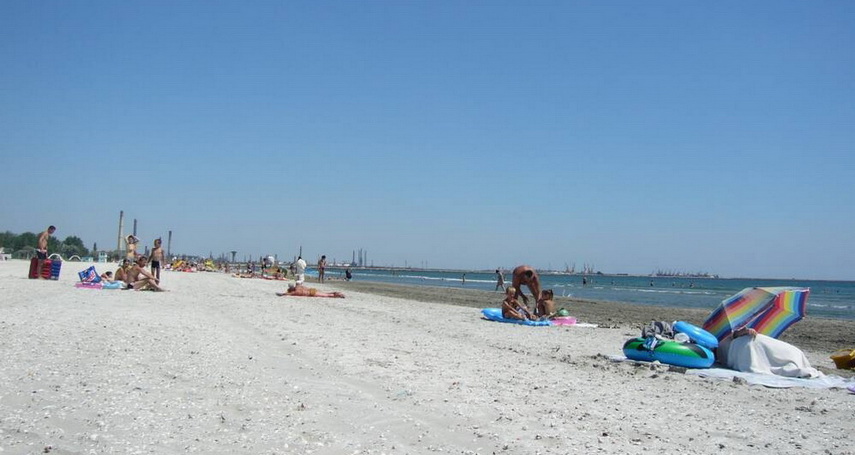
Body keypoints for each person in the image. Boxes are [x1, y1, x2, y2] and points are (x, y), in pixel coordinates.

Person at [716, 327, 820, 378]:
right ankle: (796, 366)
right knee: (777, 356)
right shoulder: (720, 348)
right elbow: (734, 335)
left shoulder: (719, 345)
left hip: (750, 344)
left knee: (778, 354)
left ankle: (795, 365)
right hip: (748, 346)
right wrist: (743, 332)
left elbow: (733, 336)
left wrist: (743, 332)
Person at [276, 284, 344, 298]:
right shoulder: (298, 286)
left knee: (326, 295)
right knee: (326, 293)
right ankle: (337, 293)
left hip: (312, 293)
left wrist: (282, 294)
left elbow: (287, 294)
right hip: (312, 290)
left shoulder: (295, 292)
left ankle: (338, 295)